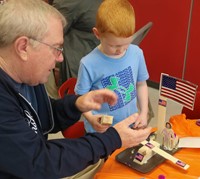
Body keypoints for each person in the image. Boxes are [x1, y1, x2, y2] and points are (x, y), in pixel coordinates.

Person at [0, 0, 152, 179]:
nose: (60, 58)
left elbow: (43, 114)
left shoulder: (26, 79)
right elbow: (40, 161)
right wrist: (113, 139)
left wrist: (77, 104)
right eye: (56, 48)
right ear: (23, 47)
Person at [75, 0, 149, 133]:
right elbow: (80, 99)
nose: (120, 50)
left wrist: (144, 112)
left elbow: (141, 84)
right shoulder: (88, 63)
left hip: (129, 125)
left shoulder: (136, 53)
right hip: (101, 131)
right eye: (114, 45)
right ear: (97, 34)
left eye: (126, 43)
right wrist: (91, 119)